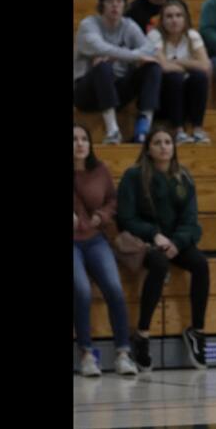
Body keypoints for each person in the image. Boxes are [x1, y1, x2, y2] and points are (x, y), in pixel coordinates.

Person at [116, 126, 210, 371]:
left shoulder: (183, 177)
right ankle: (142, 334)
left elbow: (191, 222)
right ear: (148, 148)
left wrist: (177, 243)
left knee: (200, 264)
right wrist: (154, 235)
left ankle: (197, 332)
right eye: (157, 142)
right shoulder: (133, 176)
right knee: (158, 264)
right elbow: (126, 218)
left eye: (168, 142)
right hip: (145, 242)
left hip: (174, 242)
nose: (164, 146)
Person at [73, 123, 139, 377]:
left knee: (114, 288)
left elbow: (113, 200)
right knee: (81, 290)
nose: (79, 143)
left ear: (90, 145)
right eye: (74, 139)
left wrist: (101, 215)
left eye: (83, 139)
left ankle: (123, 353)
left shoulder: (100, 170)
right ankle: (87, 354)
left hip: (95, 238)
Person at [73, 0, 163, 145]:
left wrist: (116, 56)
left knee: (153, 67)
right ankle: (113, 130)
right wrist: (132, 56)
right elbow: (100, 47)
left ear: (124, 5)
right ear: (102, 5)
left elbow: (149, 50)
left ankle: (143, 128)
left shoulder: (129, 25)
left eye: (119, 1)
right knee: (102, 67)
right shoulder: (89, 25)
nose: (115, 5)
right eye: (110, 1)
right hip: (86, 92)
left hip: (118, 90)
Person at [146, 0, 212, 145]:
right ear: (162, 20)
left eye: (178, 15)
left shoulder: (192, 35)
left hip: (186, 93)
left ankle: (197, 129)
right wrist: (188, 66)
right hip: (162, 95)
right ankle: (178, 130)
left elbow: (205, 65)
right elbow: (164, 66)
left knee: (200, 77)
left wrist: (177, 62)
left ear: (185, 18)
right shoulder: (154, 36)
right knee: (174, 77)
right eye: (169, 16)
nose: (174, 20)